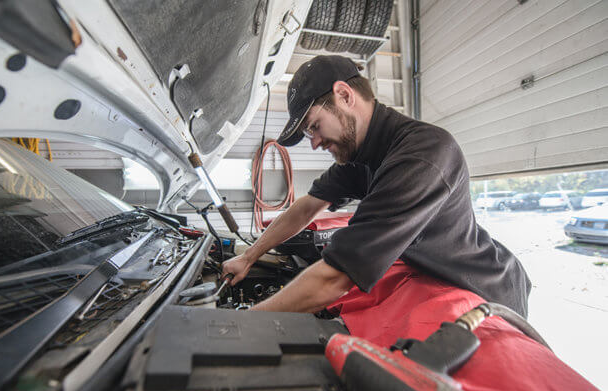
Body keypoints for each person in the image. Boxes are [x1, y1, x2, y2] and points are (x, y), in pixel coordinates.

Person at [222, 55, 531, 317]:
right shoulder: (361, 155)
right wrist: (249, 256)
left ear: (344, 95)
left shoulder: (422, 155)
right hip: (432, 279)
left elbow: (334, 278)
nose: (314, 142)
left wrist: (246, 321)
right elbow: (306, 206)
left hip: (483, 289)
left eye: (314, 126)